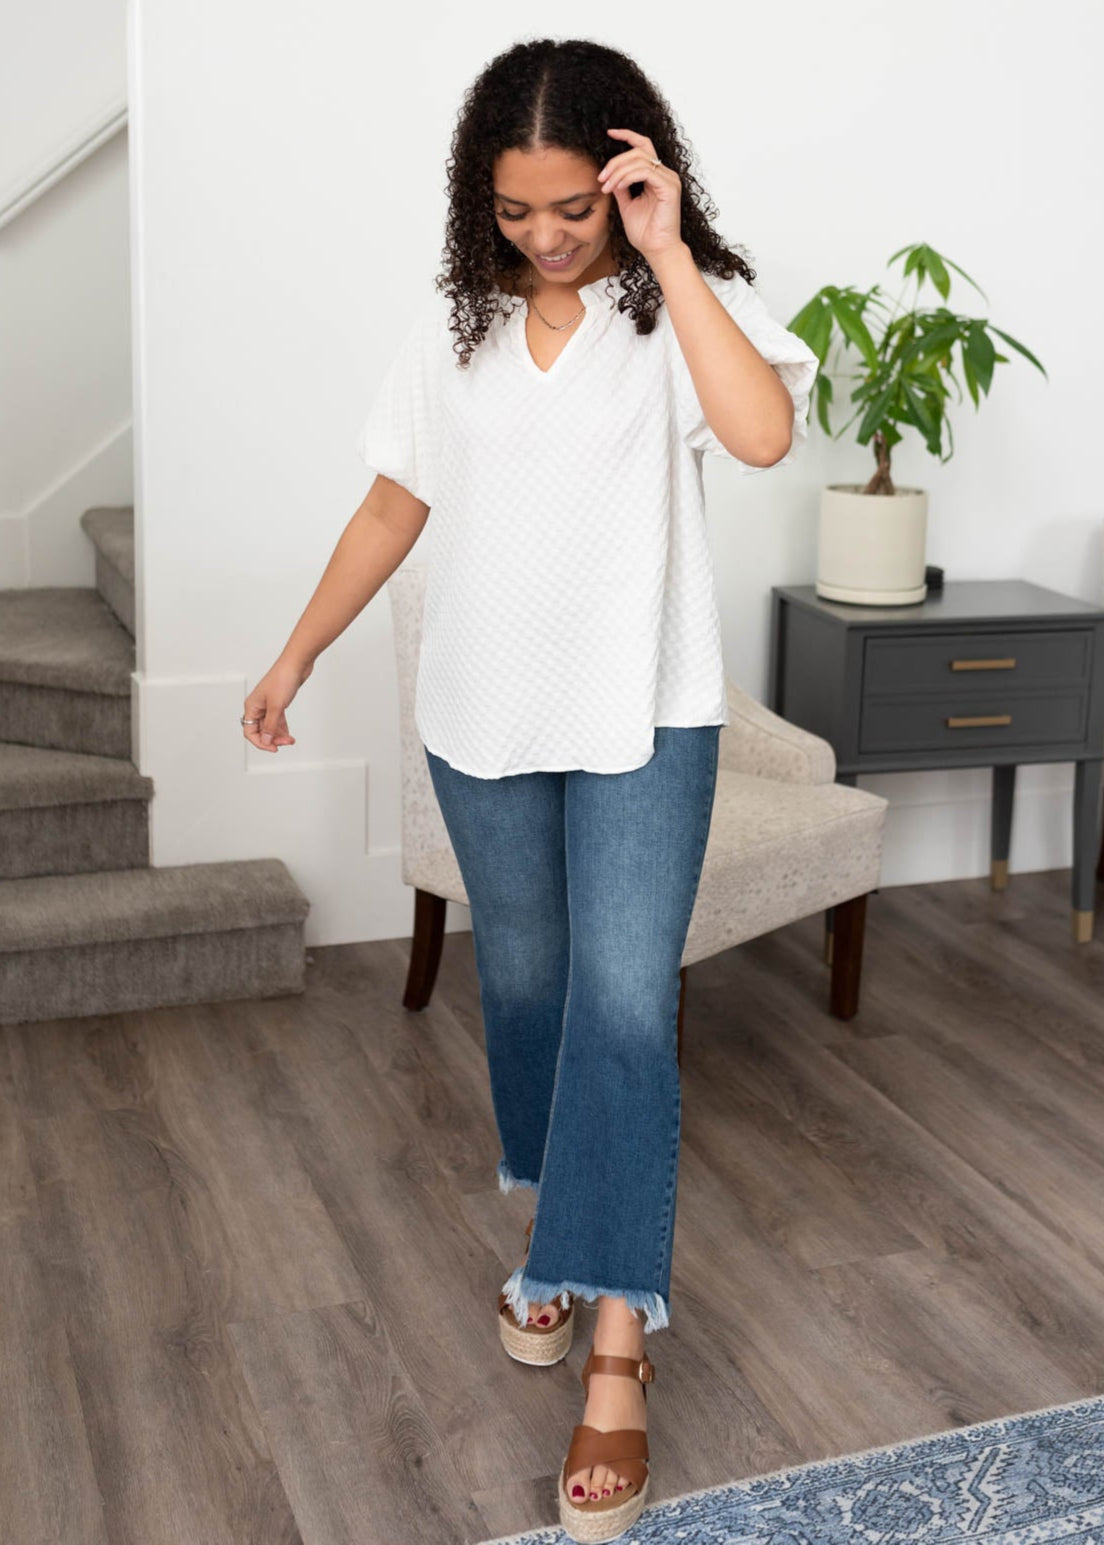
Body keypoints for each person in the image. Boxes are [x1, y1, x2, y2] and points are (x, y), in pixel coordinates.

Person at [242, 36, 818, 1545]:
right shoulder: (454, 331)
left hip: (648, 717)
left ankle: (614, 1346)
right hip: (484, 719)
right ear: (475, 200)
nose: (549, 238)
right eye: (517, 213)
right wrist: (294, 654)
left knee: (627, 1008)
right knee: (538, 991)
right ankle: (554, 1245)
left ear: (627, 176)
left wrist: (668, 254)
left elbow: (762, 433)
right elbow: (392, 500)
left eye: (574, 206)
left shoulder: (677, 307)